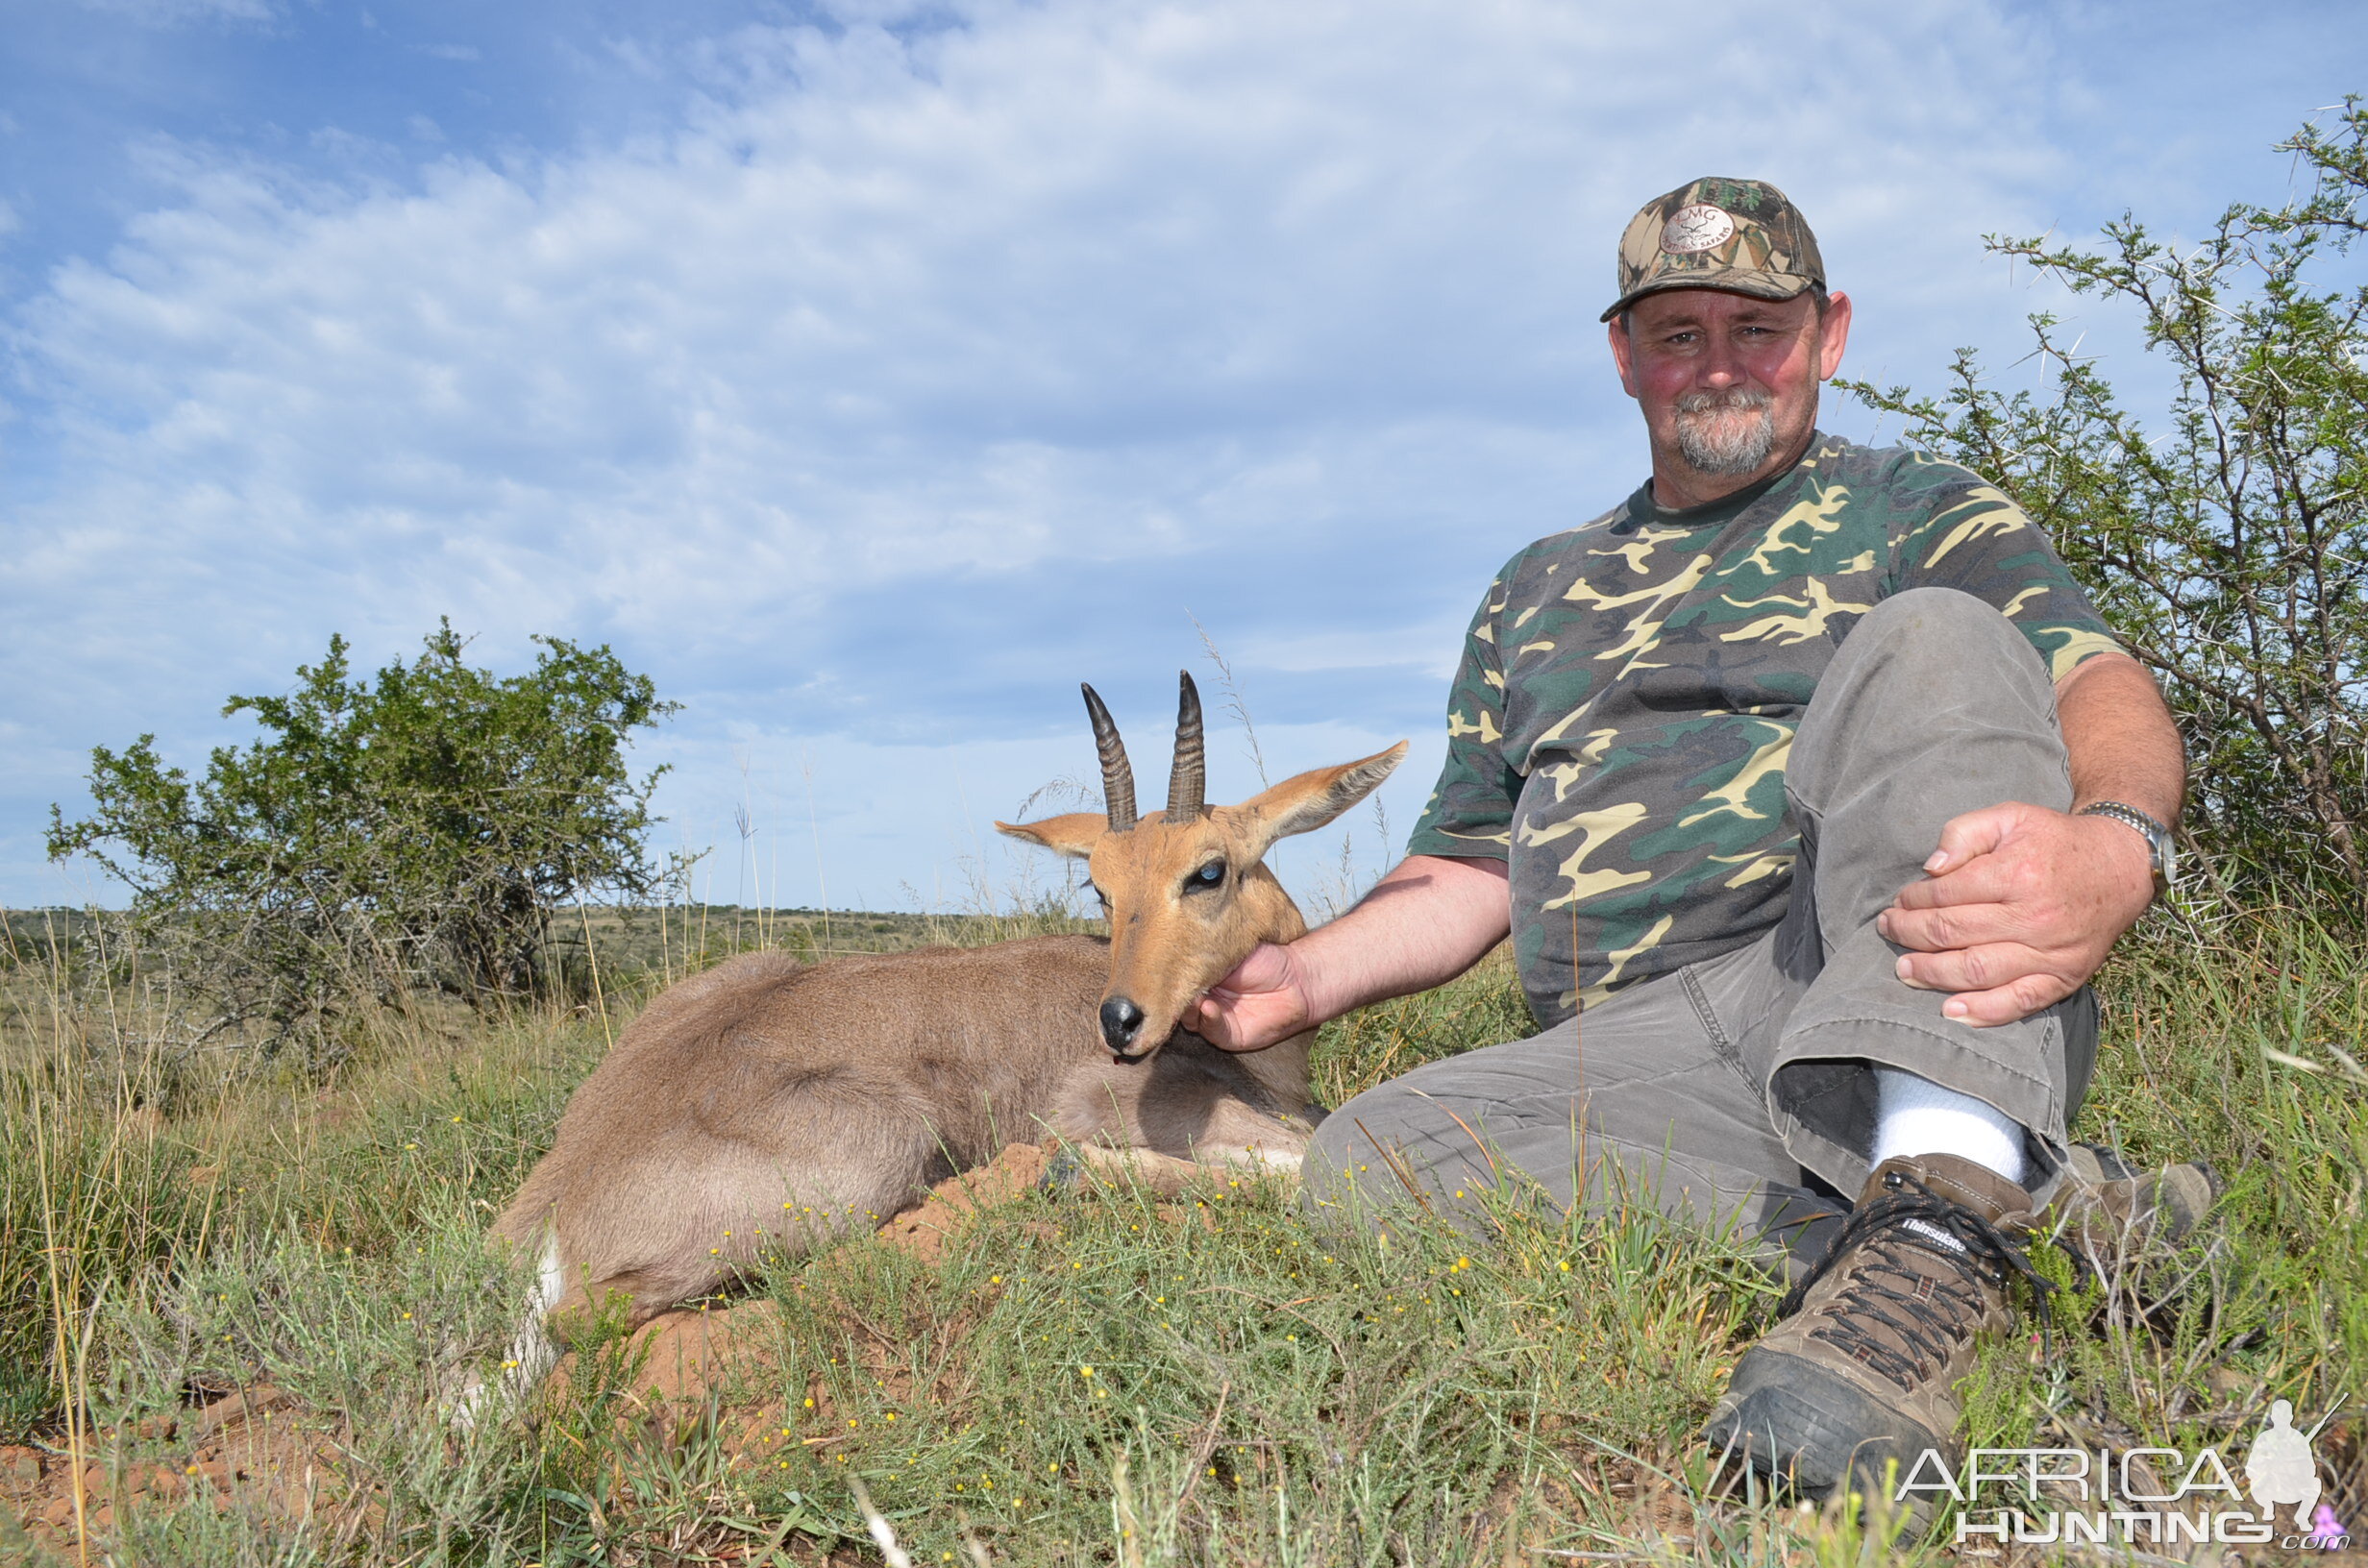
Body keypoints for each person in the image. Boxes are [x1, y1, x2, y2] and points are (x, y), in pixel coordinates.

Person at [1190, 178, 2215, 1501]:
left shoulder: (1918, 509)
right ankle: (2013, 1219)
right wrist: (1308, 974)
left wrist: (2119, 845)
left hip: (1856, 971)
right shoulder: (1532, 588)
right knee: (1365, 1164)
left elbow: (2097, 687)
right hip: (1620, 1050)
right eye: (1679, 333)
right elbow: (1468, 863)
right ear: (1624, 355)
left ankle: (1925, 1256)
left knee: (1944, 640)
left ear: (1829, 335)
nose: (1719, 364)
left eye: (1759, 327)